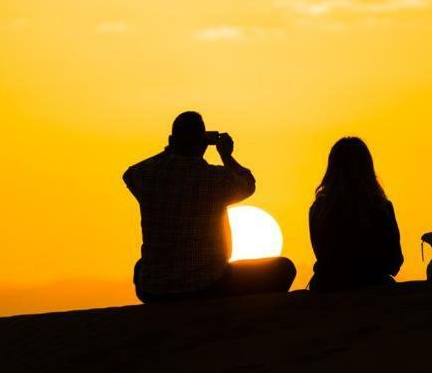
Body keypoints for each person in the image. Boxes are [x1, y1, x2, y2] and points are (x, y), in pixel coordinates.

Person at [124, 111, 296, 303]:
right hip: (208, 285)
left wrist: (171, 149)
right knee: (284, 268)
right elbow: (248, 183)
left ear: (172, 141)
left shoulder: (148, 176)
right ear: (203, 143)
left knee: (141, 266)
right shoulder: (216, 179)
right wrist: (226, 156)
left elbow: (129, 174)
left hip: (154, 290)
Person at [308, 137, 403, 291]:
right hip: (373, 285)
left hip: (327, 286)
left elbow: (321, 255)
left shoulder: (318, 209)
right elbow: (394, 262)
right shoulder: (381, 207)